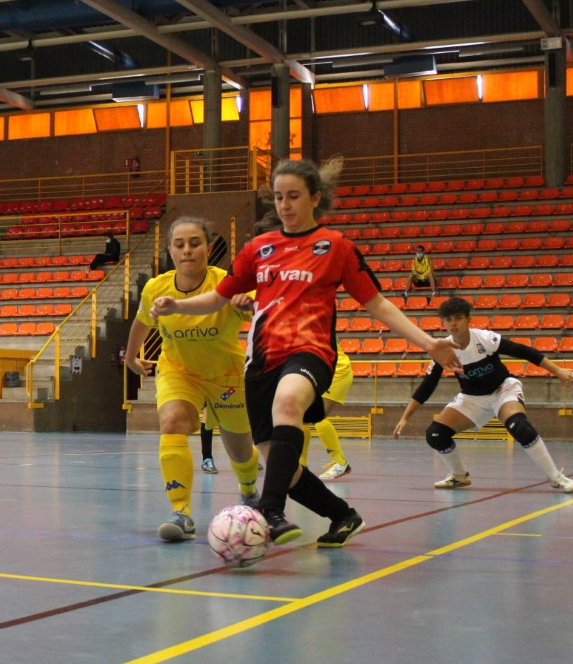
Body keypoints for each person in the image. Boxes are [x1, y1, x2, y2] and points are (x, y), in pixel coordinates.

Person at [152, 158, 461, 546]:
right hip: (261, 360)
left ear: (316, 197)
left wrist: (429, 342)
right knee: (281, 462)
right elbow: (218, 297)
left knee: (287, 405)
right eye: (279, 197)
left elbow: (377, 303)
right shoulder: (258, 249)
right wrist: (177, 306)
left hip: (310, 352)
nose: (285, 205)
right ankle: (342, 515)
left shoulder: (337, 247)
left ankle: (268, 510)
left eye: (294, 196)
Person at [125, 216, 262, 542]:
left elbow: (257, 311)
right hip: (178, 371)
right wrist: (130, 358)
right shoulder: (155, 288)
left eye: (195, 243)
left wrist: (248, 303)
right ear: (170, 251)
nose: (187, 250)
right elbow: (141, 323)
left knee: (241, 451)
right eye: (180, 244)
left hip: (225, 375)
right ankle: (181, 513)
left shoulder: (228, 283)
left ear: (208, 248)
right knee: (172, 422)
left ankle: (249, 490)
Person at [392, 296, 573, 493]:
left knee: (519, 425)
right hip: (472, 398)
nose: (453, 323)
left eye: (458, 318)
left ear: (468, 319)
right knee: (435, 434)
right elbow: (428, 385)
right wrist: (405, 417)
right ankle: (459, 475)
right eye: (448, 319)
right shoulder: (443, 349)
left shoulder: (484, 338)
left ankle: (555, 477)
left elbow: (523, 351)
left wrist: (557, 370)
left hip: (502, 390)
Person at [311, 344, 354, 480]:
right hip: (322, 372)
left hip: (337, 372)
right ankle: (301, 465)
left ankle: (340, 462)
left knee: (318, 417)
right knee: (303, 417)